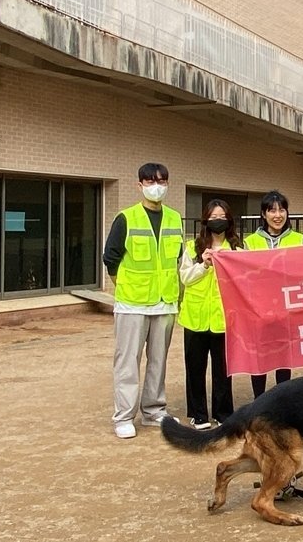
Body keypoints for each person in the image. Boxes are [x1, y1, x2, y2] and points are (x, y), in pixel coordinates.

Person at [102, 162, 183, 439]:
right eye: (150, 181)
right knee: (128, 362)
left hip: (166, 302)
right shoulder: (126, 218)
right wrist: (126, 286)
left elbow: (178, 259)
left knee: (158, 361)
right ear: (139, 185)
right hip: (133, 303)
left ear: (168, 184)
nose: (156, 186)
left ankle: (153, 411)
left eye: (161, 181)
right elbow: (110, 258)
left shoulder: (174, 218)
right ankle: (124, 415)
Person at [178, 199, 240, 430]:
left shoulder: (237, 249)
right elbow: (184, 278)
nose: (218, 221)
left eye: (222, 216)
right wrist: (203, 265)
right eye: (213, 217)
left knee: (223, 370)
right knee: (195, 367)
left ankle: (223, 412)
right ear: (205, 220)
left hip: (225, 319)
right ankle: (198, 414)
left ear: (229, 220)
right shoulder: (192, 247)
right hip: (195, 318)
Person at [243, 190, 303, 397]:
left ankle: (280, 401)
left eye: (282, 210)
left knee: (283, 358)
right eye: (272, 210)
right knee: (259, 357)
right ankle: (258, 400)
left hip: (288, 308)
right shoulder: (250, 242)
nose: (277, 215)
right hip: (259, 310)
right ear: (263, 214)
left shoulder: (299, 239)